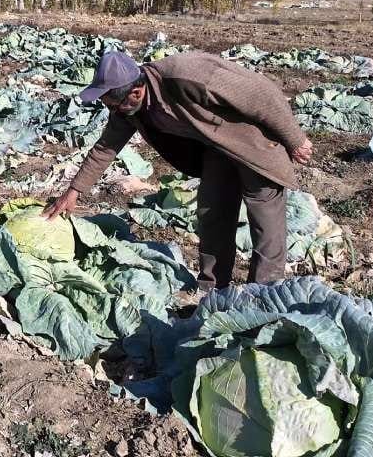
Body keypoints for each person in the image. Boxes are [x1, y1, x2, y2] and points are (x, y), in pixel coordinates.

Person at [41, 50, 312, 290]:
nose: (109, 110)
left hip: (255, 146)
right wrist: (74, 191)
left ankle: (263, 293)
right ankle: (214, 290)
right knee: (212, 213)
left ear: (135, 92)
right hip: (217, 149)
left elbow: (261, 93)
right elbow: (105, 148)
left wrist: (294, 138)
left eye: (111, 104)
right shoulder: (128, 109)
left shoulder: (187, 75)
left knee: (265, 222)